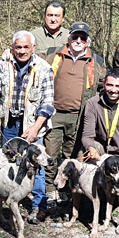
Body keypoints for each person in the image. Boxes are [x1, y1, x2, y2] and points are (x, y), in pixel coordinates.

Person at [0, 31, 55, 223]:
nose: (22, 51)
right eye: (18, 47)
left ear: (33, 48)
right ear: (12, 48)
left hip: (32, 123)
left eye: (25, 47)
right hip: (9, 124)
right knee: (7, 163)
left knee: (36, 165)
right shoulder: (3, 65)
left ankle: (38, 207)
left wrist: (35, 128)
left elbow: (47, 104)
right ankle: (4, 203)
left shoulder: (44, 68)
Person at [42, 21, 105, 204]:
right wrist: (9, 53)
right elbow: (30, 57)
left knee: (74, 155)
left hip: (80, 115)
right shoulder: (53, 54)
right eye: (75, 36)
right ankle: (50, 189)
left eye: (82, 37)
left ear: (88, 41)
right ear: (69, 38)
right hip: (55, 113)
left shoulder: (97, 61)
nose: (78, 40)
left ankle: (70, 190)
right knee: (51, 153)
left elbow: (108, 84)